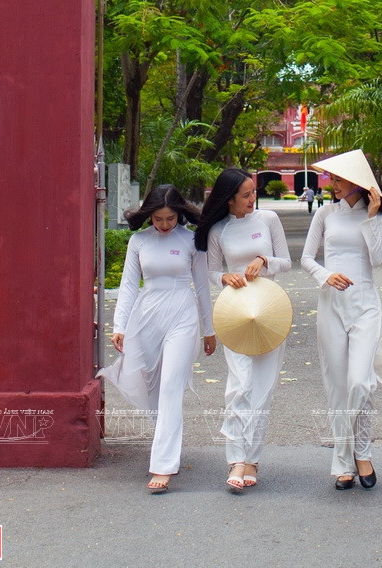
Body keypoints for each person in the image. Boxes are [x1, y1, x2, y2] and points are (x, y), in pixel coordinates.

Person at [97, 184, 217, 494]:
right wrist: (119, 325)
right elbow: (127, 286)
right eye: (158, 219)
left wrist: (209, 328)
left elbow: (202, 286)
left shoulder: (191, 240)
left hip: (182, 315)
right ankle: (167, 437)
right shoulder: (139, 241)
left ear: (180, 213)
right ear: (149, 215)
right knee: (148, 382)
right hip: (146, 315)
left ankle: (163, 464)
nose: (164, 225)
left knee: (170, 386)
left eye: (170, 219)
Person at [301, 150, 382, 490]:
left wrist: (372, 217)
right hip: (331, 302)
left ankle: (363, 450)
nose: (333, 184)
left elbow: (376, 261)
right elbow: (307, 258)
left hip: (365, 304)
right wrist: (326, 276)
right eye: (333, 179)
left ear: (357, 182)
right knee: (337, 383)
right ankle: (344, 457)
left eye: (338, 179)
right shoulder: (326, 214)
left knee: (361, 382)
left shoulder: (378, 218)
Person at [194, 168, 292, 492]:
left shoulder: (269, 220)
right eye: (246, 194)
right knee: (239, 385)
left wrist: (265, 260)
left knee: (262, 389)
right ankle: (236, 458)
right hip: (235, 311)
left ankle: (252, 459)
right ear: (229, 198)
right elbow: (210, 272)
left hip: (269, 310)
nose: (253, 198)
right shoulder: (219, 229)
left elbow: (286, 262)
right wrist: (225, 277)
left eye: (253, 193)